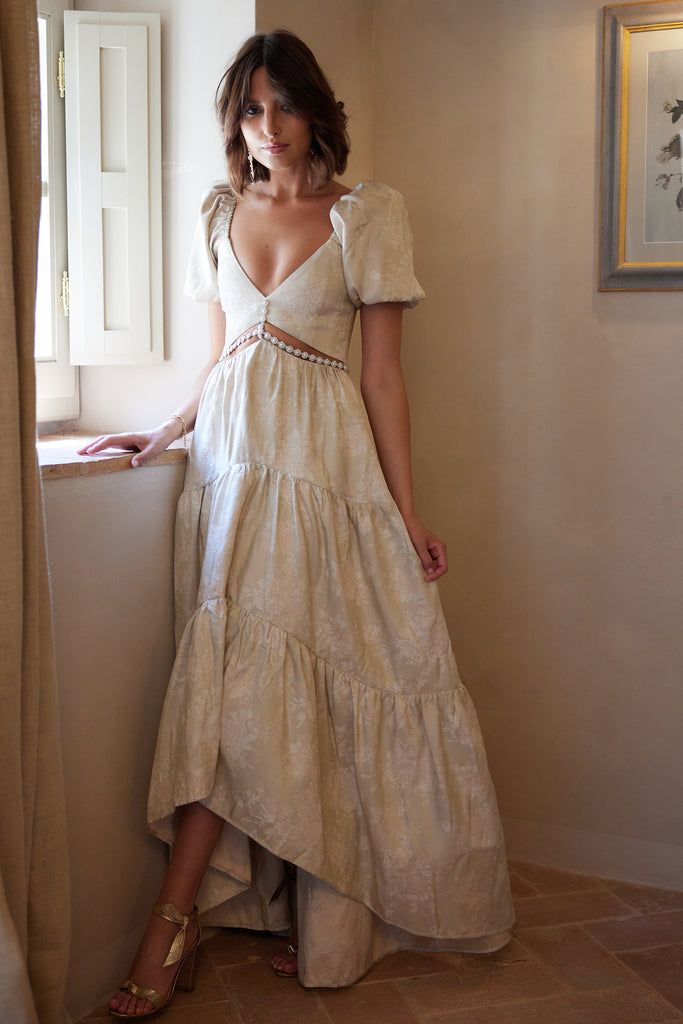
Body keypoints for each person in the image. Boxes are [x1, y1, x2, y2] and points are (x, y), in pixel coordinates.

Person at [78, 28, 515, 1020]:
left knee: (306, 691)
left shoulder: (366, 215)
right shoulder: (218, 214)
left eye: (280, 105)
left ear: (315, 109)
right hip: (230, 472)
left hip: (324, 477)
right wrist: (165, 428)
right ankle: (215, 919)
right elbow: (225, 353)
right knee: (239, 688)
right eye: (246, 108)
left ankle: (184, 926)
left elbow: (382, 379)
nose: (263, 127)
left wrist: (405, 515)